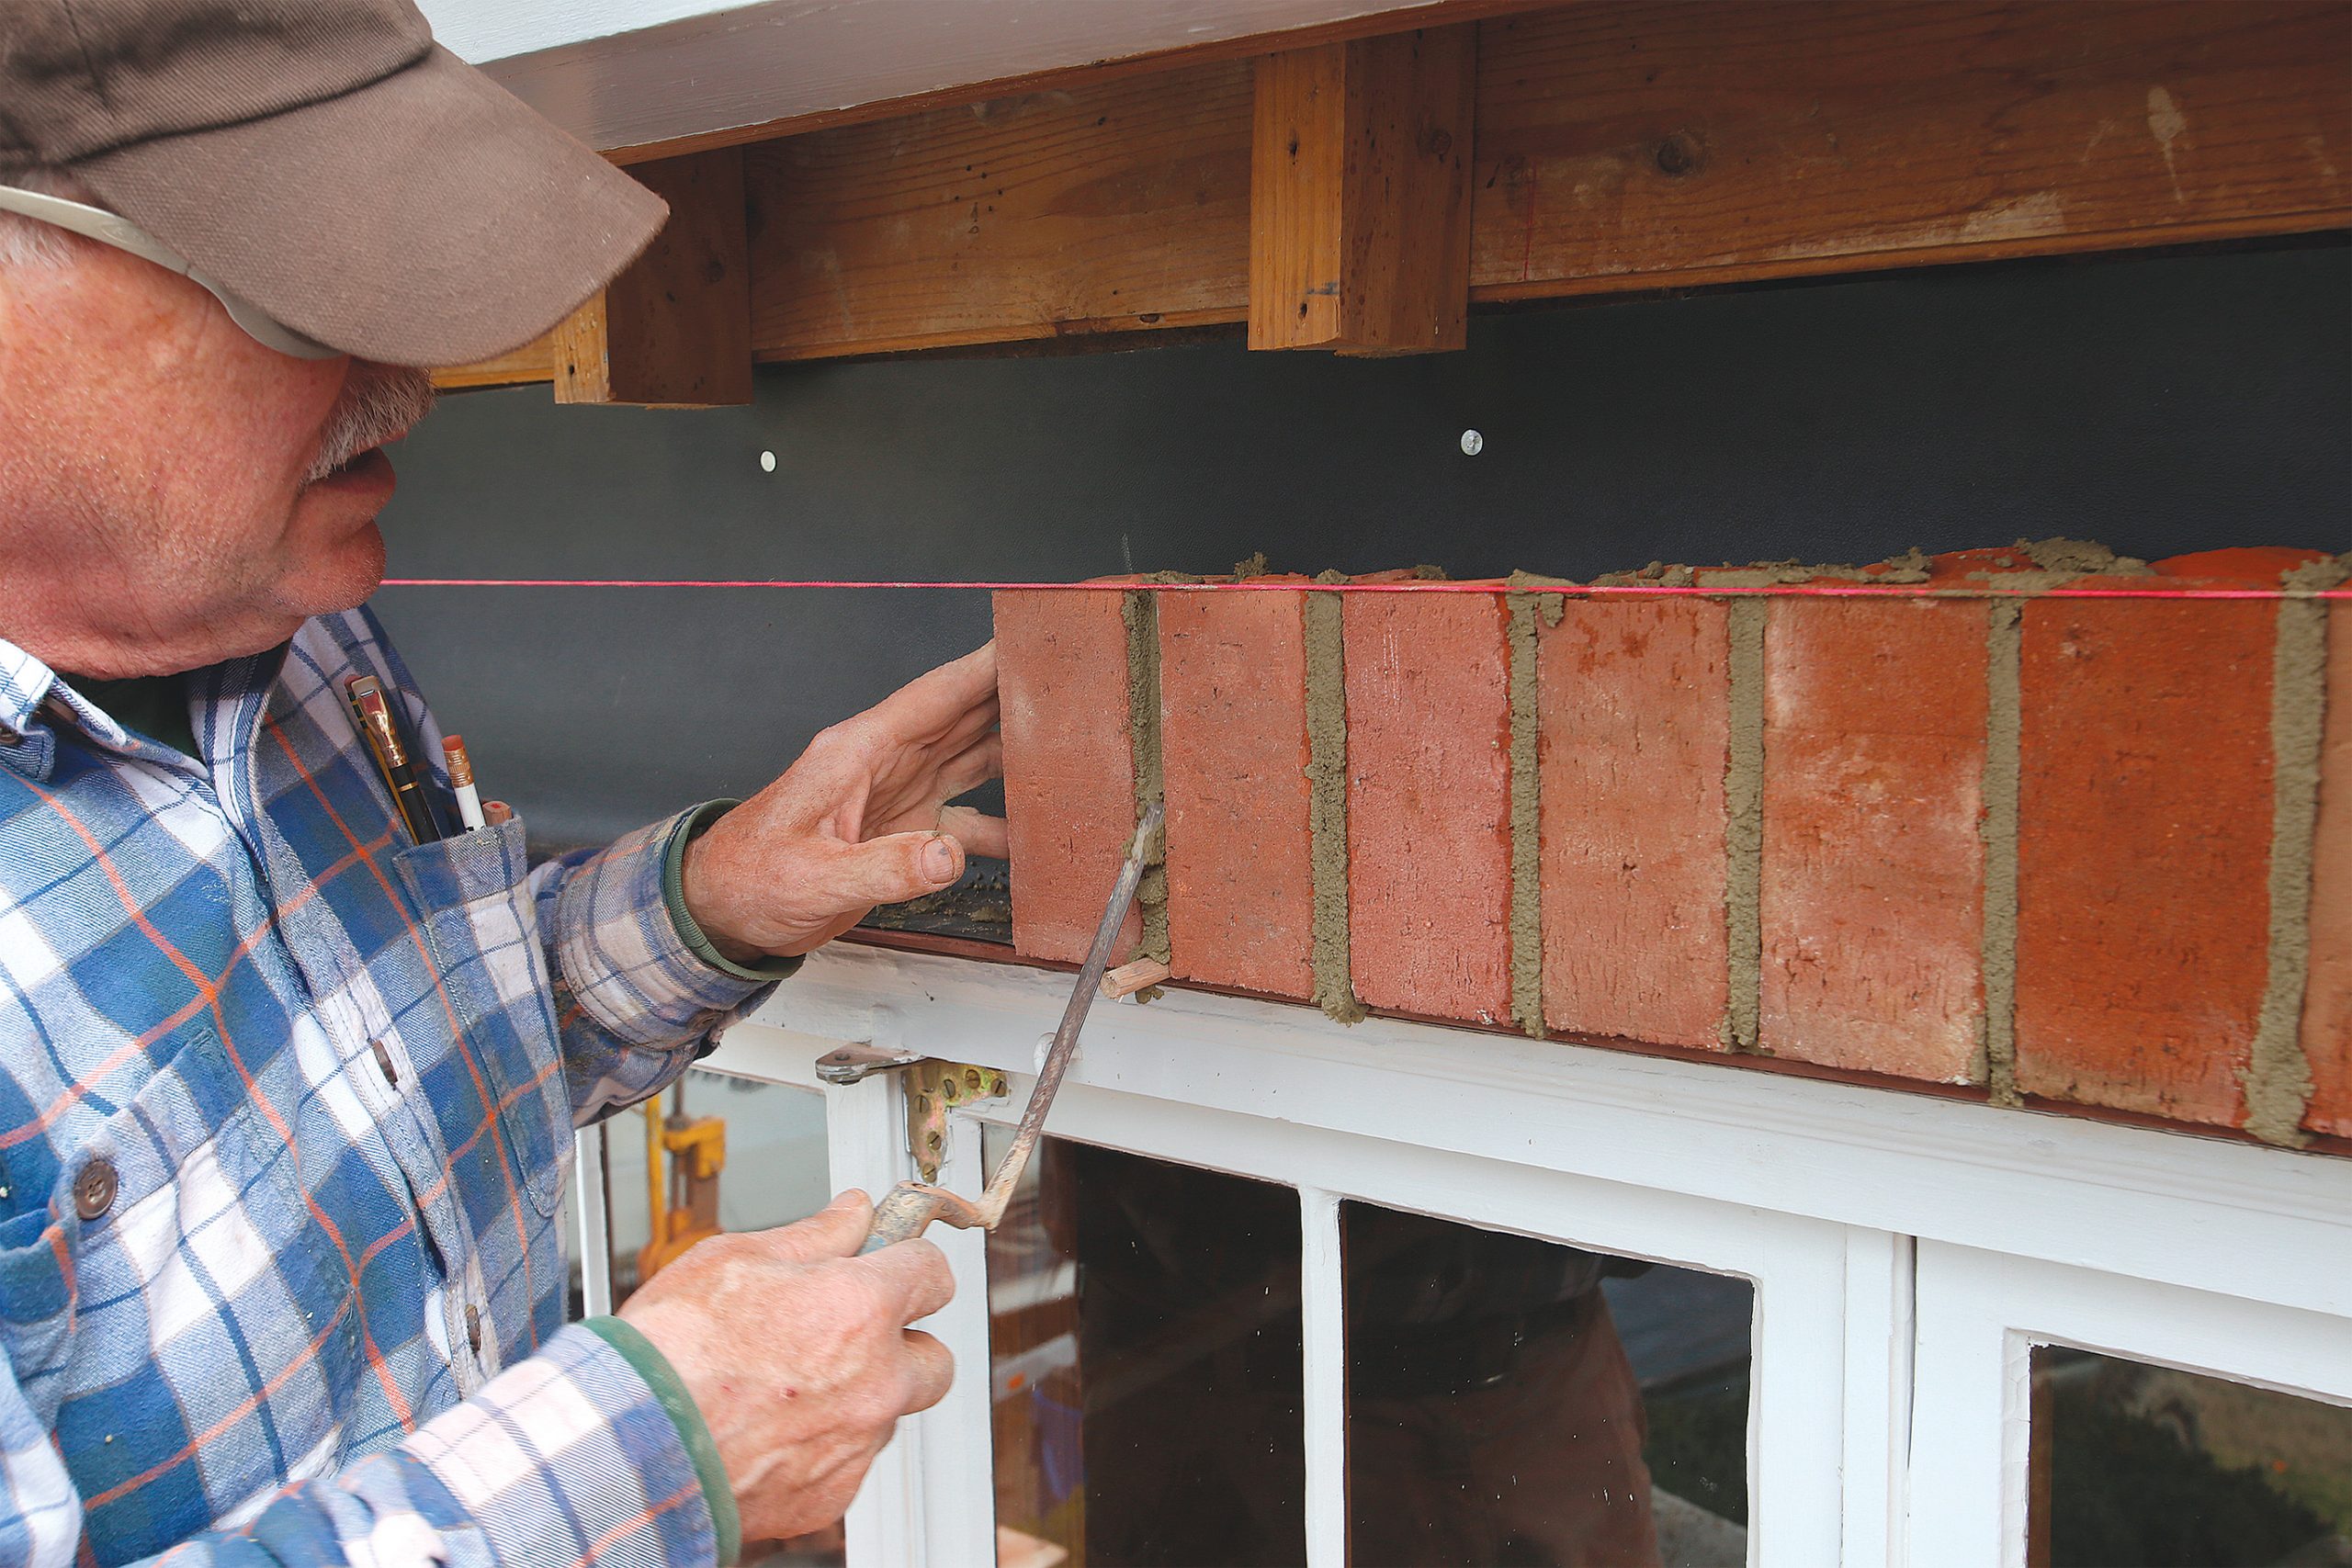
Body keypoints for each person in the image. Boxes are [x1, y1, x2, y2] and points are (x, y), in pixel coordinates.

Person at [0, 2, 1006, 1562]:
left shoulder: (295, 628)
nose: (405, 380)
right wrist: (648, 1455)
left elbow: (378, 1071)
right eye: (295, 291)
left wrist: (710, 904)